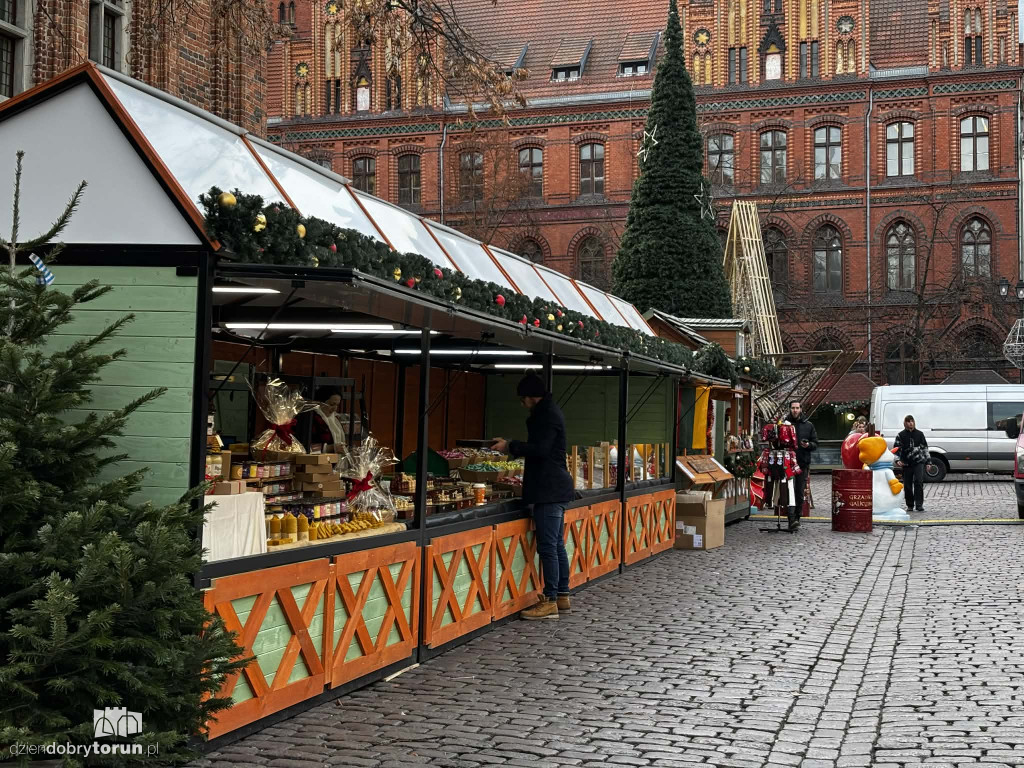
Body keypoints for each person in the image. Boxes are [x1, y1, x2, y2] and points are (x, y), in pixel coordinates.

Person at [491, 373, 574, 621]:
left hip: (548, 488)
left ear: (531, 397)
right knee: (556, 544)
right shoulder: (550, 412)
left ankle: (550, 600)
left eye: (522, 399)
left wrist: (510, 445)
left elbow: (540, 450)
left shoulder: (545, 416)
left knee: (548, 547)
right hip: (555, 487)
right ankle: (562, 594)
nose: (522, 403)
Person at [788, 401, 818, 527]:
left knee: (799, 491)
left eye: (797, 408)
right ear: (790, 409)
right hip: (787, 463)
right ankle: (791, 519)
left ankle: (797, 517)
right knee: (788, 491)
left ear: (801, 409)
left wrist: (808, 445)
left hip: (802, 463)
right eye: (793, 408)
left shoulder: (808, 425)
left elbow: (815, 443)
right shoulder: (785, 424)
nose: (795, 410)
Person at [896, 414, 928, 512]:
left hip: (918, 462)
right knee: (907, 485)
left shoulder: (920, 434)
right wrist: (897, 460)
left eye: (912, 421)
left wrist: (928, 462)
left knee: (919, 482)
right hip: (906, 463)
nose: (910, 423)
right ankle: (910, 504)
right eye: (908, 421)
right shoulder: (901, 435)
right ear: (905, 423)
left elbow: (925, 448)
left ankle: (919, 504)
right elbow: (897, 449)